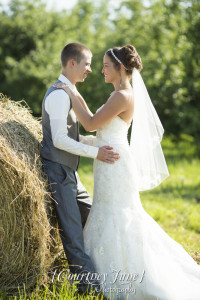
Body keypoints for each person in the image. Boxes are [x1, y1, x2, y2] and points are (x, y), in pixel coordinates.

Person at [54, 44, 200, 300]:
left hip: (116, 166)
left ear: (120, 68)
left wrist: (69, 89)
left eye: (106, 66)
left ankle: (125, 278)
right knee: (105, 214)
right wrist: (73, 92)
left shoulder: (122, 96)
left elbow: (88, 123)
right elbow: (96, 128)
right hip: (108, 160)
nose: (101, 70)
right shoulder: (117, 94)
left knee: (119, 218)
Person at [40, 42, 120, 296]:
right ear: (72, 63)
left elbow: (73, 135)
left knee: (95, 217)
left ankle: (109, 273)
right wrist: (97, 152)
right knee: (74, 237)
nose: (90, 69)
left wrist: (100, 143)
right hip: (57, 175)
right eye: (87, 64)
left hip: (70, 174)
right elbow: (59, 141)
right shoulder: (57, 95)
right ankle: (93, 291)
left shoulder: (69, 91)